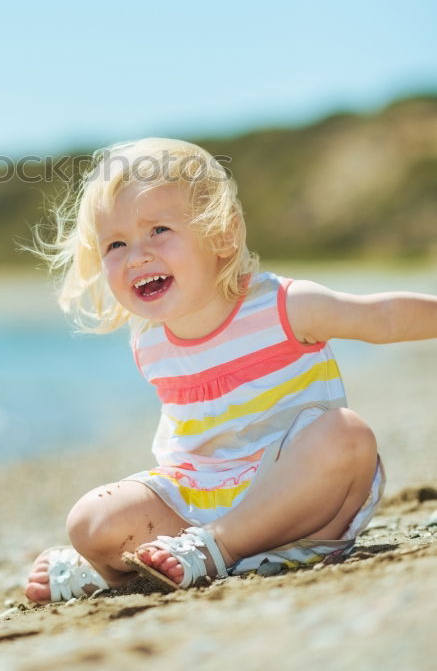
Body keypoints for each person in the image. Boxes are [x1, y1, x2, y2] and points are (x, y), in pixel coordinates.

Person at [24, 138, 437, 602]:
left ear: (222, 234)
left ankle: (218, 546)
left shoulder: (284, 307)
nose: (137, 255)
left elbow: (379, 317)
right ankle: (123, 571)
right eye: (116, 243)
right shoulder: (149, 341)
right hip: (196, 503)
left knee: (347, 435)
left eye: (158, 229)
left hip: (298, 495)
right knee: (90, 521)